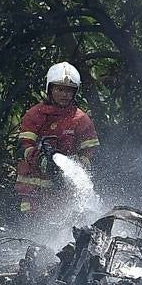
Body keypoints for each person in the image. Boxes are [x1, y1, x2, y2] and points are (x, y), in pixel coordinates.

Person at [15, 62, 100, 219]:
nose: (64, 94)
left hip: (63, 191)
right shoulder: (35, 114)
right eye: (60, 89)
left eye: (69, 91)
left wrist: (79, 163)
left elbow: (90, 150)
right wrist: (41, 160)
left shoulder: (80, 118)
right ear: (50, 89)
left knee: (64, 227)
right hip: (33, 193)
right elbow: (24, 146)